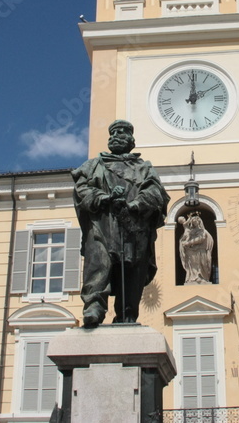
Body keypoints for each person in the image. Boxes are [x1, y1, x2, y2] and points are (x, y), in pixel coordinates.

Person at [71, 120, 169, 327]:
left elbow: (155, 193)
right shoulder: (93, 165)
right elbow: (82, 190)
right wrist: (103, 198)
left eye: (123, 132)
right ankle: (94, 306)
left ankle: (127, 313)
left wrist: (135, 204)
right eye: (113, 132)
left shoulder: (144, 168)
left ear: (132, 140)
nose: (117, 135)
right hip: (103, 223)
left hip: (134, 226)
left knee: (133, 269)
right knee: (99, 263)